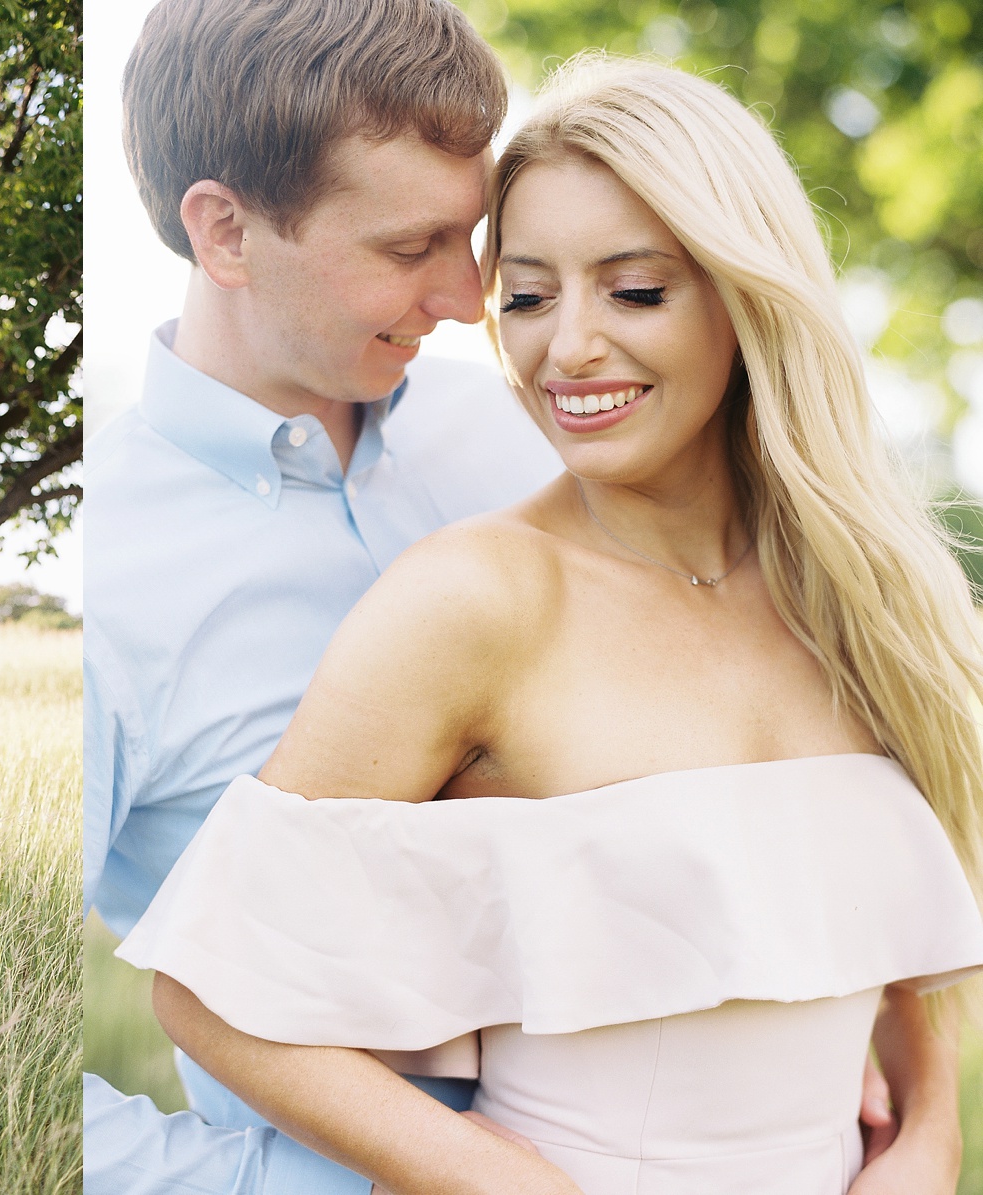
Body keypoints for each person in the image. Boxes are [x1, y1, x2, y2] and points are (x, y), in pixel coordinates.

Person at [118, 56, 983, 1195]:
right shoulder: (473, 600)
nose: (565, 348)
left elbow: (882, 902)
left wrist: (931, 1126)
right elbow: (209, 986)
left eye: (633, 291)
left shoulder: (862, 590)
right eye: (526, 297)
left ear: (745, 294)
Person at [84, 1, 564, 1189]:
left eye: (474, 237)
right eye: (408, 251)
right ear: (228, 231)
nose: (466, 297)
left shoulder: (529, 438)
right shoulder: (104, 577)